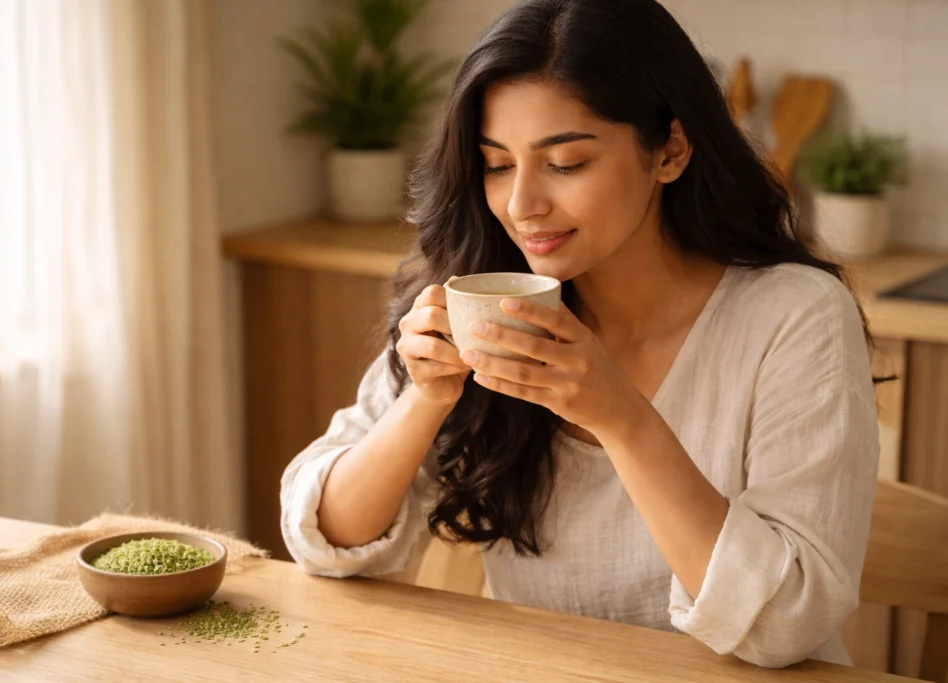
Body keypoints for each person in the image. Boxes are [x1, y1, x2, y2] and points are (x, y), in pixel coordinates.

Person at [280, 0, 880, 668]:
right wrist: (424, 400)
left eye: (564, 163)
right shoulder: (484, 295)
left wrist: (620, 414)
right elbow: (324, 538)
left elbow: (785, 623)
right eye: (497, 164)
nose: (520, 204)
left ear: (671, 151)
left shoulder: (793, 317)